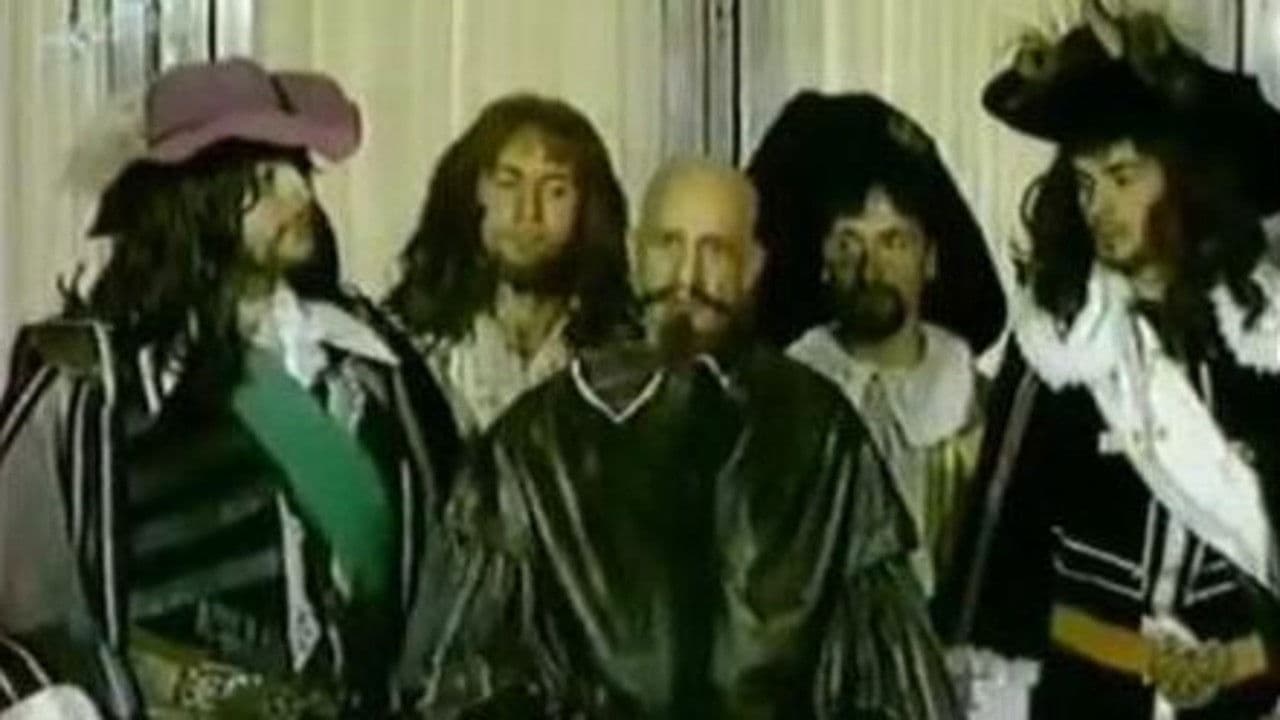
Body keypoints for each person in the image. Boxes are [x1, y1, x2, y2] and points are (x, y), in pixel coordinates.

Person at [407, 158, 960, 719]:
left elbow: (895, 689)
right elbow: (459, 685)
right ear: (635, 253)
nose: (688, 278)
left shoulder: (820, 435)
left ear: (753, 267)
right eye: (668, 245)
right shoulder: (534, 443)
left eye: (715, 250)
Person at [0, 58, 457, 718]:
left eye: (298, 171)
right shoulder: (89, 386)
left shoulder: (369, 362)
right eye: (264, 181)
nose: (300, 195)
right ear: (195, 203)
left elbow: (443, 568)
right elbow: (23, 601)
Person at [947, 5, 1280, 717]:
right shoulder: (1059, 343)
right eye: (1086, 183)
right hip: (1088, 698)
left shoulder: (1264, 337)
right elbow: (1002, 541)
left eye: (1123, 176)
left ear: (1181, 179)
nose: (1099, 204)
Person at [747, 91, 1007, 603]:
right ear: (824, 259)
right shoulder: (777, 407)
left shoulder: (981, 414)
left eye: (894, 242)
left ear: (930, 259)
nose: (871, 269)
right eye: (850, 243)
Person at [385, 94, 631, 438]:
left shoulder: (624, 357)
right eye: (508, 184)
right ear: (475, 193)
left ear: (587, 207)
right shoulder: (405, 348)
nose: (528, 213)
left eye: (555, 191)